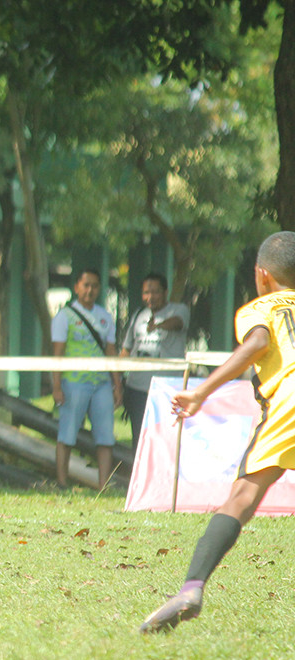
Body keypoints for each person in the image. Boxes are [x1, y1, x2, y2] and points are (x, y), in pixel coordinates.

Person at [139, 231, 295, 633]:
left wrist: (201, 392)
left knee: (243, 497)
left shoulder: (260, 307)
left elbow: (258, 342)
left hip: (289, 403)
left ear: (262, 274)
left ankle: (191, 587)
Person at [51, 268, 122, 488]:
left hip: (101, 384)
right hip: (74, 383)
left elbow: (111, 351)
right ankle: (62, 482)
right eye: (86, 285)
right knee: (67, 434)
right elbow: (58, 353)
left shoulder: (104, 316)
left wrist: (117, 383)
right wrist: (56, 386)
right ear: (77, 288)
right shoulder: (65, 316)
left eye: (94, 286)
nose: (90, 290)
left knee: (105, 437)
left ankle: (103, 485)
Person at [119, 273, 189, 448]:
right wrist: (118, 379)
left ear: (165, 292)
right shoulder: (138, 315)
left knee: (166, 438)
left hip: (167, 388)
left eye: (155, 292)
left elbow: (177, 323)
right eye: (146, 293)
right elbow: (126, 349)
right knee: (139, 438)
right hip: (138, 388)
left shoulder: (178, 310)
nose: (150, 297)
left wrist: (157, 325)